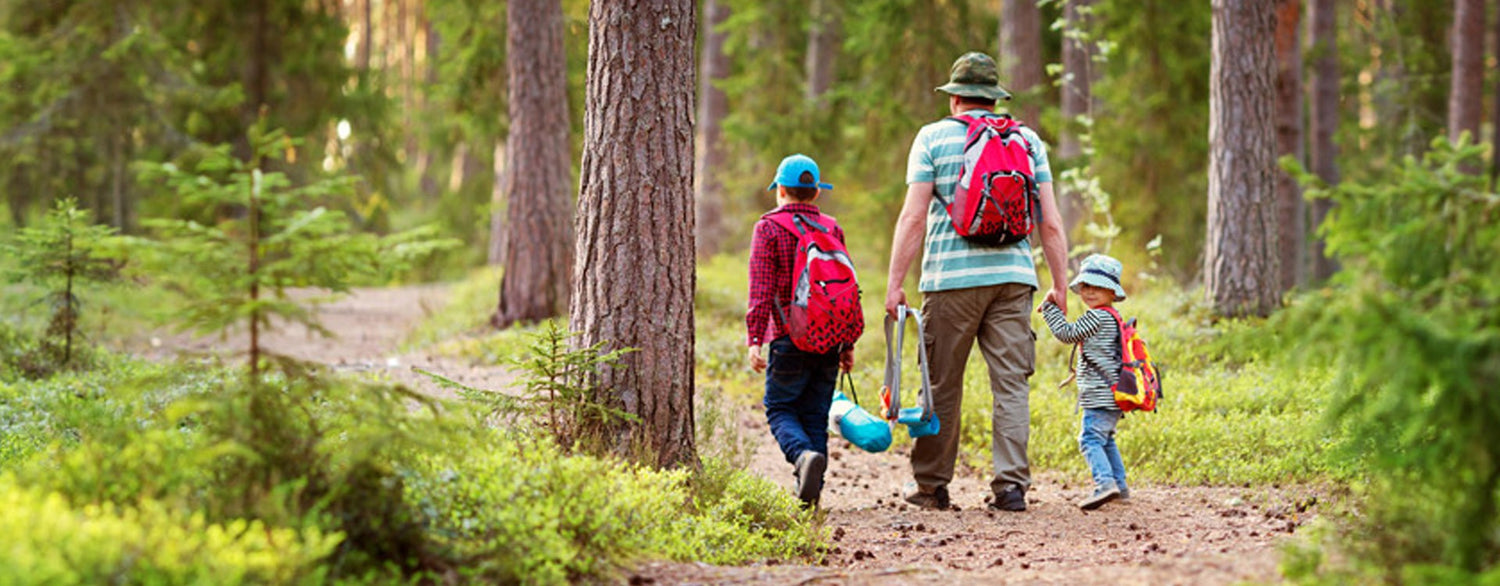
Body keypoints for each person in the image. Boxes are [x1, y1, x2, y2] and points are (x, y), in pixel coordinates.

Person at [884, 51, 1070, 512]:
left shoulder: (932, 138)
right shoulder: (1027, 140)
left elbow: (913, 217)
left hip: (950, 281)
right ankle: (1011, 487)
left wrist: (894, 283)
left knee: (941, 384)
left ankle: (931, 486)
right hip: (1014, 279)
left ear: (955, 99)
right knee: (1011, 385)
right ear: (994, 98)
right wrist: (1060, 285)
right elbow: (1049, 222)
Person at [747, 153, 855, 508]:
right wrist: (847, 343)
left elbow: (761, 289)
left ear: (780, 189)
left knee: (779, 408)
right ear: (817, 192)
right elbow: (844, 290)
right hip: (829, 338)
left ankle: (801, 456)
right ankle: (811, 497)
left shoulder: (768, 228)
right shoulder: (832, 228)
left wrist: (755, 340)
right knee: (814, 414)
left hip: (787, 336)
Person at [1037, 254, 1130, 510]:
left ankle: (1105, 484)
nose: (1089, 292)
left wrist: (1050, 309)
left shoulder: (1097, 317)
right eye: (1086, 286)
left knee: (1089, 439)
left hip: (1099, 394)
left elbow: (1066, 334)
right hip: (1114, 393)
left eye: (1098, 287)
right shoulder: (1113, 316)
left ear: (1112, 291)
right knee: (1105, 439)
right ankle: (1120, 487)